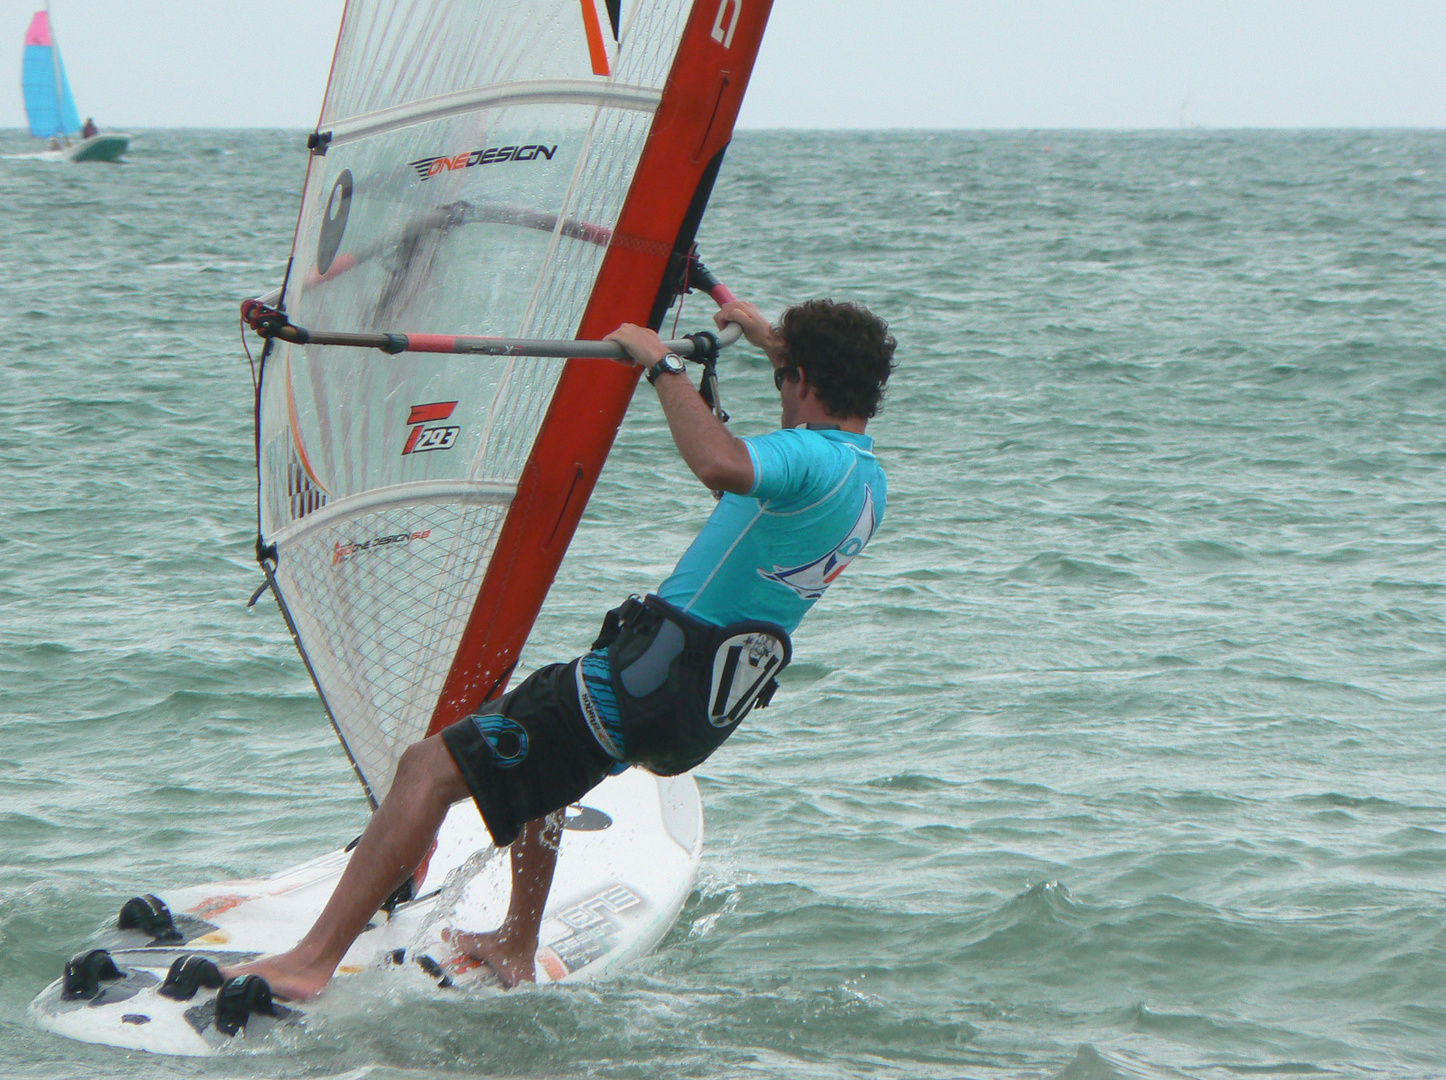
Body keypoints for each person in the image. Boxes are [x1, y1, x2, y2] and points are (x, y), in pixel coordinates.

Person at [226, 297, 896, 999]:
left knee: (427, 768)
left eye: (784, 377)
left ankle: (309, 963)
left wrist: (659, 364)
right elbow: (798, 402)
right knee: (544, 736)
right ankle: (515, 941)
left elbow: (720, 461)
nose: (780, 391)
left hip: (640, 685)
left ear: (807, 380)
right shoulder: (865, 481)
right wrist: (769, 337)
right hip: (692, 710)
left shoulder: (806, 459)